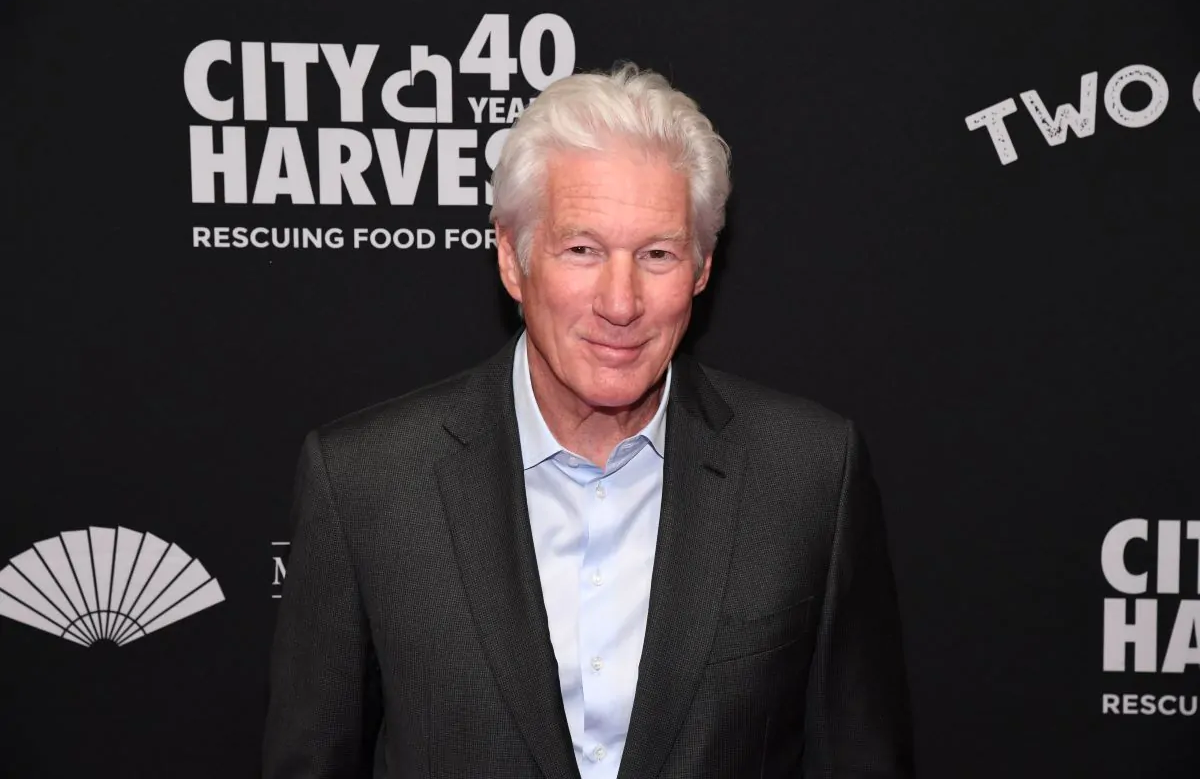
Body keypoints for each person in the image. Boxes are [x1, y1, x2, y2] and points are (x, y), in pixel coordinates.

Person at [263, 63, 914, 779]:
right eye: (583, 249)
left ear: (702, 269)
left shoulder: (809, 475)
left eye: (658, 254)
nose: (620, 302)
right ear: (512, 258)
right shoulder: (367, 481)